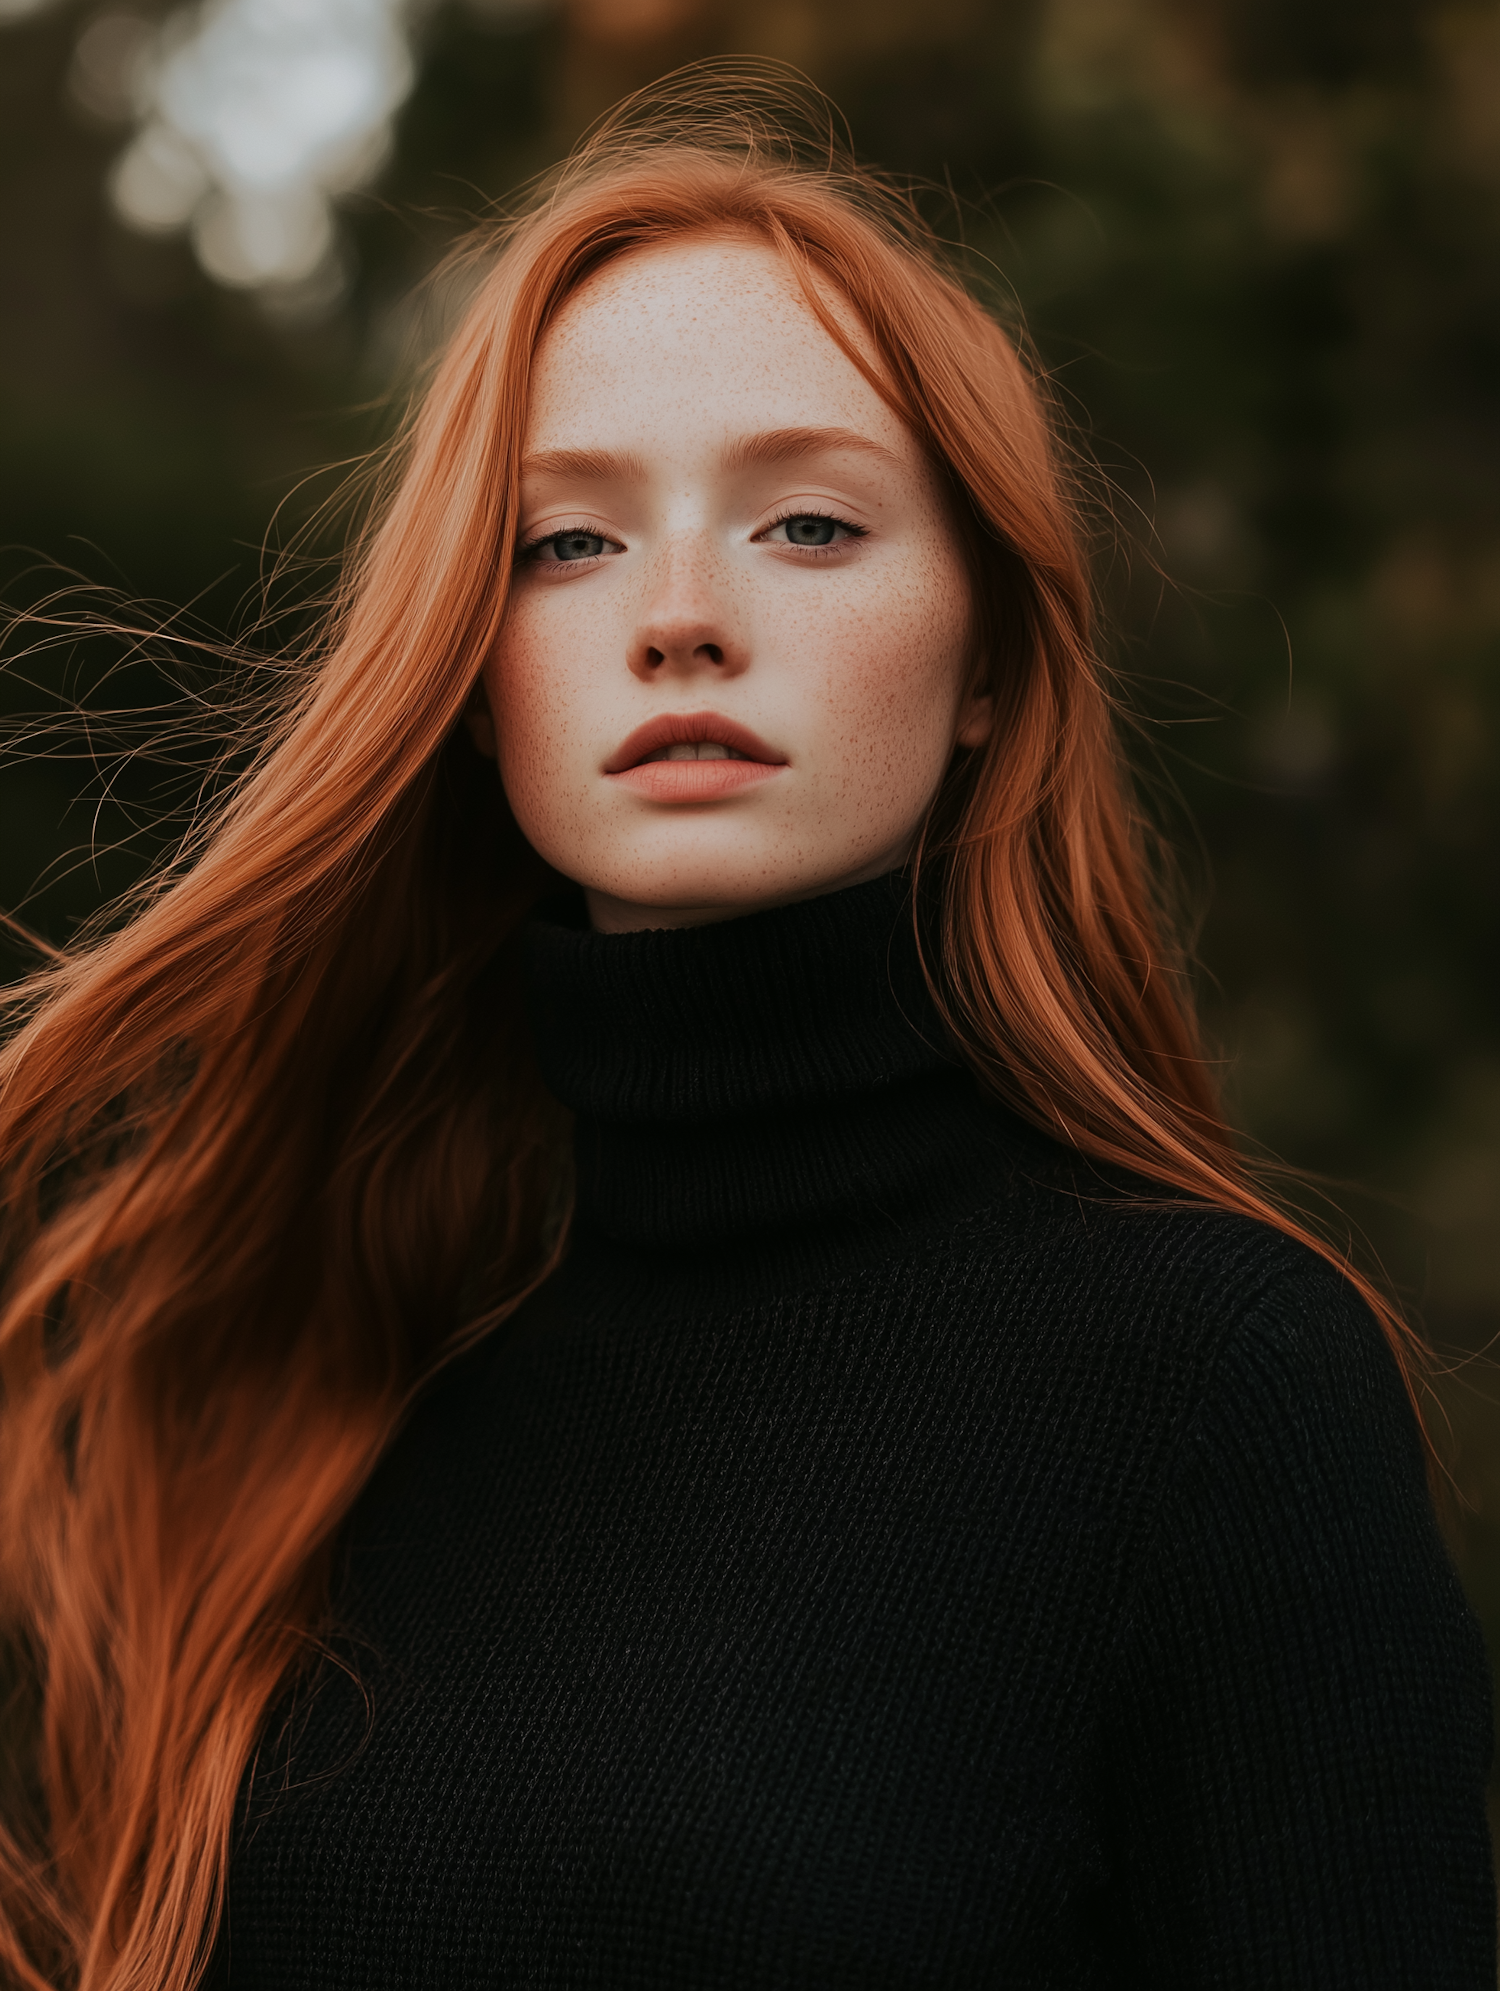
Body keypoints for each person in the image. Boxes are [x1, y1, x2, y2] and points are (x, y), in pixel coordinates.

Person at [0, 69, 1491, 1991]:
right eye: (568, 542)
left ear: (986, 660)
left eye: (804, 524)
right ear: (467, 676)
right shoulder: (353, 1394)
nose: (681, 616)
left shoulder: (1214, 1385)